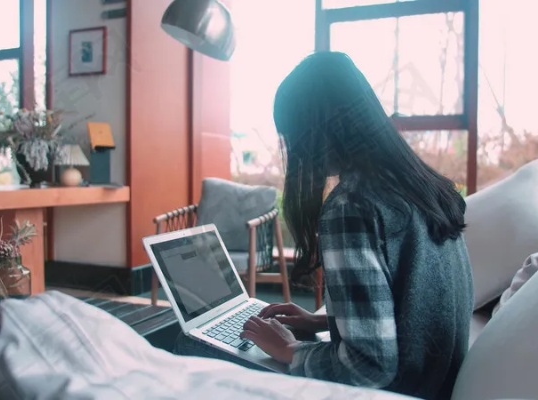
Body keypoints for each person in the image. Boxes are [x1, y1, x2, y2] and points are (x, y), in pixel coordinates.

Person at [175, 51, 474, 400]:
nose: (296, 150)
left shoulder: (352, 207)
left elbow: (369, 368)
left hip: (394, 392)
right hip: (432, 385)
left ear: (315, 132)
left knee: (188, 342)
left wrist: (290, 350)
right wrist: (320, 321)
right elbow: (413, 306)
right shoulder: (428, 188)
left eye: (293, 136)